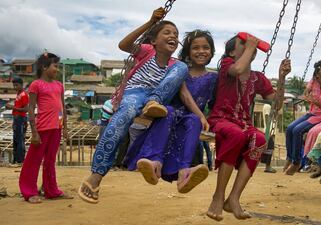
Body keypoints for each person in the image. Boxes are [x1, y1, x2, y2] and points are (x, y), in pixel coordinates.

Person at [78, 8, 207, 203]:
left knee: (181, 67)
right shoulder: (146, 51)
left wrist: (201, 116)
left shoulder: (176, 66)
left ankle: (153, 101)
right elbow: (124, 45)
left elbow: (184, 94)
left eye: (176, 34)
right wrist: (150, 22)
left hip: (156, 100)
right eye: (167, 32)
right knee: (122, 118)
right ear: (153, 40)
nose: (173, 35)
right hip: (134, 93)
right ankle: (95, 177)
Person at [206, 34, 291, 221]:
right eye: (243, 44)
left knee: (260, 140)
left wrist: (282, 77)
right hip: (221, 119)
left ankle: (234, 198)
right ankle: (218, 196)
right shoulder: (227, 66)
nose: (248, 47)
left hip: (244, 122)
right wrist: (252, 46)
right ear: (231, 52)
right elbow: (237, 69)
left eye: (250, 46)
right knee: (236, 135)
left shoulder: (258, 78)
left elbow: (276, 104)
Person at [124, 29, 217, 193]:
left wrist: (207, 120)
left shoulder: (214, 78)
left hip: (190, 119)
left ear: (212, 51)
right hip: (170, 114)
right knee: (168, 111)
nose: (201, 51)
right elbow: (183, 94)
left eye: (205, 48)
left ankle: (184, 173)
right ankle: (155, 163)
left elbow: (217, 103)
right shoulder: (179, 69)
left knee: (194, 121)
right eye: (195, 48)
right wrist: (201, 115)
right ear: (188, 51)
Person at [19, 52, 72, 203]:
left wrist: (65, 128)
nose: (57, 69)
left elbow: (62, 108)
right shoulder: (36, 85)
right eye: (55, 66)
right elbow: (31, 109)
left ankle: (52, 190)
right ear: (44, 67)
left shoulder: (59, 85)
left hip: (56, 128)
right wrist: (34, 132)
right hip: (42, 129)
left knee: (50, 161)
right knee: (33, 161)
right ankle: (29, 192)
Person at [284, 60, 321, 175]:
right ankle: (289, 157)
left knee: (298, 130)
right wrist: (307, 94)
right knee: (289, 128)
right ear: (317, 74)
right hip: (311, 114)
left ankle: (296, 162)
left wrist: (315, 101)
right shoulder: (314, 82)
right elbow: (306, 91)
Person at [6, 76, 29, 165]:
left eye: (16, 85)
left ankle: (20, 161)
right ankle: (16, 160)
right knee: (15, 140)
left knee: (20, 140)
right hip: (16, 119)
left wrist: (12, 107)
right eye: (14, 85)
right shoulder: (18, 94)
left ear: (21, 85)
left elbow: (26, 109)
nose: (15, 87)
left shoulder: (24, 95)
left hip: (20, 119)